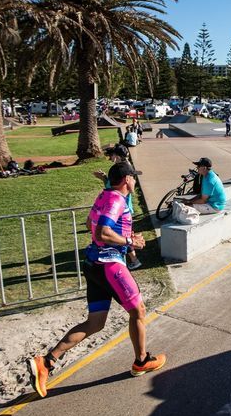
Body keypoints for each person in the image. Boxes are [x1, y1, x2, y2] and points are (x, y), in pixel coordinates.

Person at [27, 162, 166, 398]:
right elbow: (102, 232)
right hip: (109, 265)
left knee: (95, 323)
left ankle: (46, 362)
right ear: (126, 179)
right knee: (138, 311)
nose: (134, 181)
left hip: (93, 264)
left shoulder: (104, 195)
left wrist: (124, 236)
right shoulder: (117, 200)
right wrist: (130, 242)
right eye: (133, 177)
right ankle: (141, 360)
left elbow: (89, 224)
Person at [95, 144, 143, 270]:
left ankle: (133, 260)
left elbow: (100, 232)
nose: (134, 181)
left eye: (111, 155)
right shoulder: (114, 198)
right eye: (133, 178)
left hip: (121, 210)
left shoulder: (112, 200)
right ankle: (133, 260)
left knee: (121, 236)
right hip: (109, 260)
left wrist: (129, 241)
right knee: (123, 236)